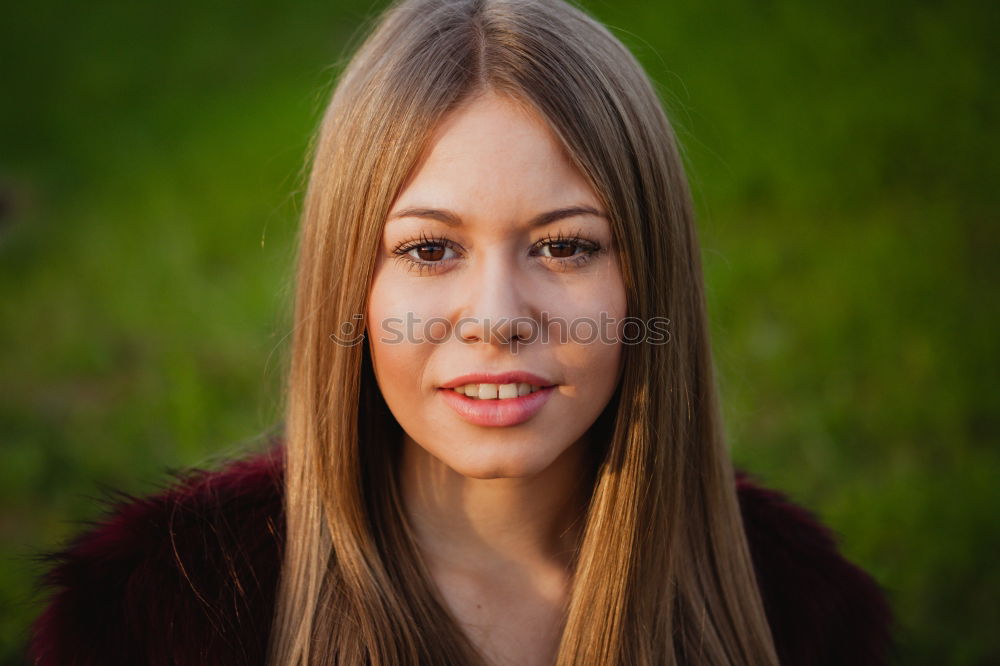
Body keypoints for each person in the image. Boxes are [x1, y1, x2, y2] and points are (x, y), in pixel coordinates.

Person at [28, 0, 894, 664]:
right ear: (351, 286)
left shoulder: (798, 611)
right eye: (430, 247)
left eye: (565, 245)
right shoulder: (158, 617)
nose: (497, 318)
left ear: (648, 278)